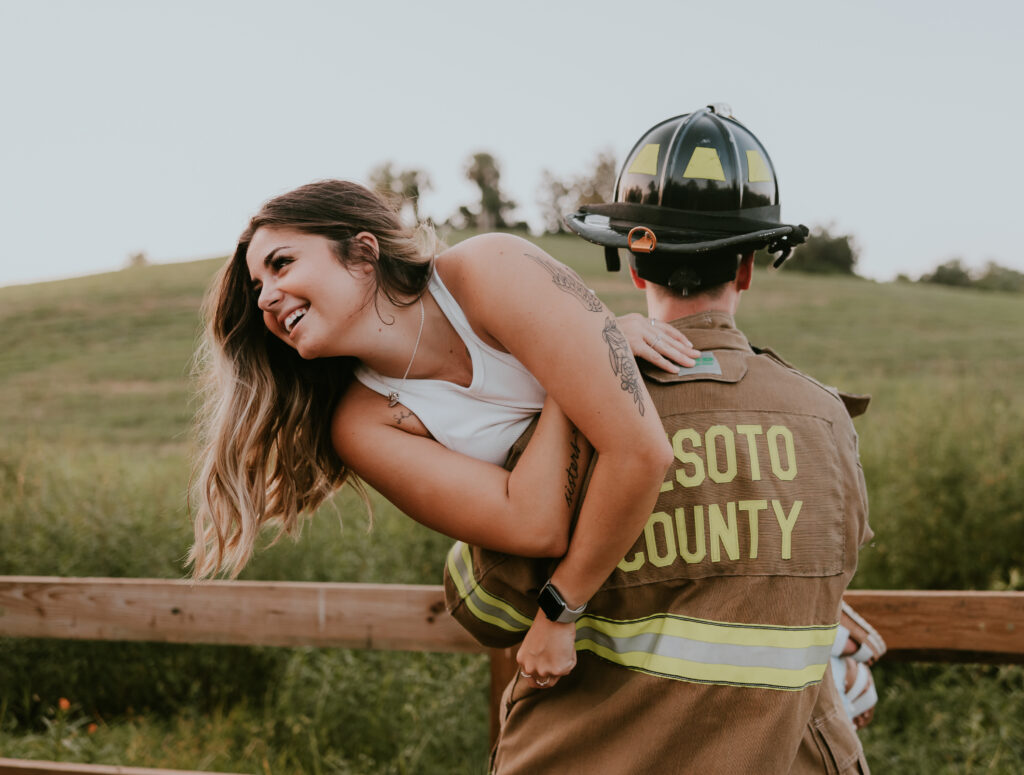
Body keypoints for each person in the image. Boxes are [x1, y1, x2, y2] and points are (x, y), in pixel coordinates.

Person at [444, 105, 876, 773]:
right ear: (745, 269)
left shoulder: (581, 420)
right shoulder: (827, 422)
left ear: (635, 269)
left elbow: (482, 608)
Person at [189, 177, 703, 684]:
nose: (265, 300)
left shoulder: (491, 270)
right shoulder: (361, 425)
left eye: (282, 264)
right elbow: (533, 523)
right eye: (258, 288)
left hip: (689, 567)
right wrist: (593, 357)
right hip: (596, 636)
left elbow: (641, 453)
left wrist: (559, 610)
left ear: (363, 253)